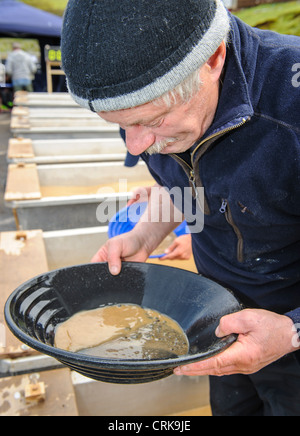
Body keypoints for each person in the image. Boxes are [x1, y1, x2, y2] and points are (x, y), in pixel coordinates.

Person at [61, 0, 300, 415]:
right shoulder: (153, 111)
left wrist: (292, 329)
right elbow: (190, 187)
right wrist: (145, 234)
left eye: (151, 121)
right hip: (212, 316)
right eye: (120, 125)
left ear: (213, 59)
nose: (135, 145)